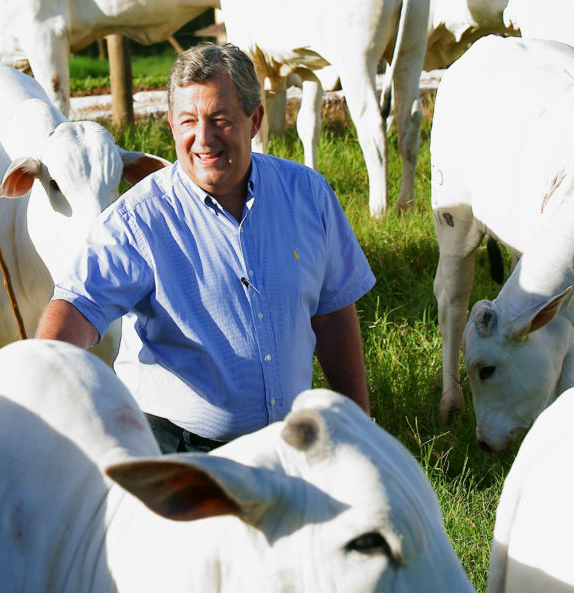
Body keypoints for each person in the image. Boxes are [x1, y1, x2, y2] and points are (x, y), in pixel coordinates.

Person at [35, 42, 375, 453]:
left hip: (287, 451)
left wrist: (361, 430)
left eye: (220, 119)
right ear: (172, 126)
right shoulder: (138, 220)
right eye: (188, 121)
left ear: (255, 120)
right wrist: (42, 394)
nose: (203, 139)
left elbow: (333, 316)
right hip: (177, 452)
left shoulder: (307, 195)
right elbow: (75, 308)